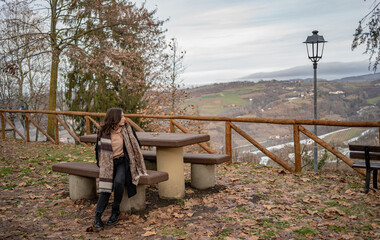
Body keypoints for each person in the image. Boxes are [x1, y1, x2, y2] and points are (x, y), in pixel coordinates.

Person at [93, 108, 147, 230]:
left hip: (123, 162)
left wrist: (133, 160)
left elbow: (137, 144)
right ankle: (97, 217)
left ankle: (115, 210)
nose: (124, 118)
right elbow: (98, 149)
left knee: (118, 182)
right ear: (115, 118)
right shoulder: (103, 131)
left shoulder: (127, 129)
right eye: (122, 116)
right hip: (108, 164)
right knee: (105, 190)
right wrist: (102, 165)